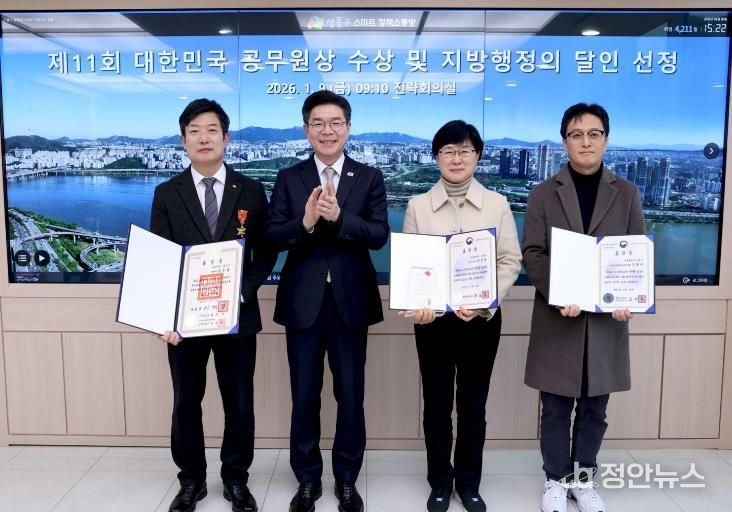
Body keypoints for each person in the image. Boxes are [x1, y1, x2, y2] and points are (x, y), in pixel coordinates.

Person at [265, 90, 389, 512]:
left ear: (348, 128)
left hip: (351, 303)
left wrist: (340, 218)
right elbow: (271, 235)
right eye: (318, 123)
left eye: (336, 122)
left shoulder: (369, 177)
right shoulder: (289, 177)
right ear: (306, 130)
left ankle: (347, 479)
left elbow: (379, 236)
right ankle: (307, 479)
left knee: (350, 396)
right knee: (304, 396)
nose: (327, 130)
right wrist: (305, 222)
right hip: (303, 304)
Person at [150, 98, 276, 512]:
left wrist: (242, 291)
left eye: (211, 130)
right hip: (185, 322)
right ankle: (191, 480)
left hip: (237, 316)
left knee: (239, 402)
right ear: (183, 141)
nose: (203, 138)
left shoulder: (251, 190)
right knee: (186, 401)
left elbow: (266, 252)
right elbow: (161, 260)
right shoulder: (167, 193)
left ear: (226, 138)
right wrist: (165, 316)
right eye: (194, 131)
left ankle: (236, 479)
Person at [522, 103, 646, 512]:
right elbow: (534, 253)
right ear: (565, 142)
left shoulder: (626, 193)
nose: (586, 142)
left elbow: (635, 253)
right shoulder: (543, 193)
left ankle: (583, 479)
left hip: (606, 323)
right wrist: (559, 294)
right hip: (559, 318)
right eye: (577, 135)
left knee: (595, 409)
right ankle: (556, 479)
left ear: (606, 140)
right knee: (556, 408)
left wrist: (628, 298)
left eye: (594, 134)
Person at [400, 120, 522, 512]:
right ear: (436, 157)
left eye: (465, 150)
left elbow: (510, 260)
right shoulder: (418, 206)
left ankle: (469, 483)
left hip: (481, 321)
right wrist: (417, 305)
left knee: (473, 407)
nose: (457, 158)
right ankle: (439, 481)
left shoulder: (498, 204)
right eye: (448, 151)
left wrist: (486, 301)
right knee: (436, 407)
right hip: (433, 323)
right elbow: (413, 268)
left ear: (477, 156)